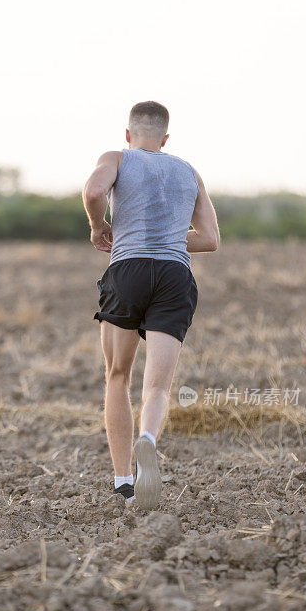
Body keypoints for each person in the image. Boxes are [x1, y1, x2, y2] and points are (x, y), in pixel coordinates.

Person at [82, 101, 220, 510]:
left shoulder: (116, 158)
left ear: (129, 134)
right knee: (157, 385)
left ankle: (124, 481)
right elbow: (210, 239)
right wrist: (170, 238)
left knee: (118, 374)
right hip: (175, 276)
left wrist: (98, 225)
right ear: (165, 139)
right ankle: (148, 439)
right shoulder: (188, 171)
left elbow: (92, 191)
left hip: (129, 269)